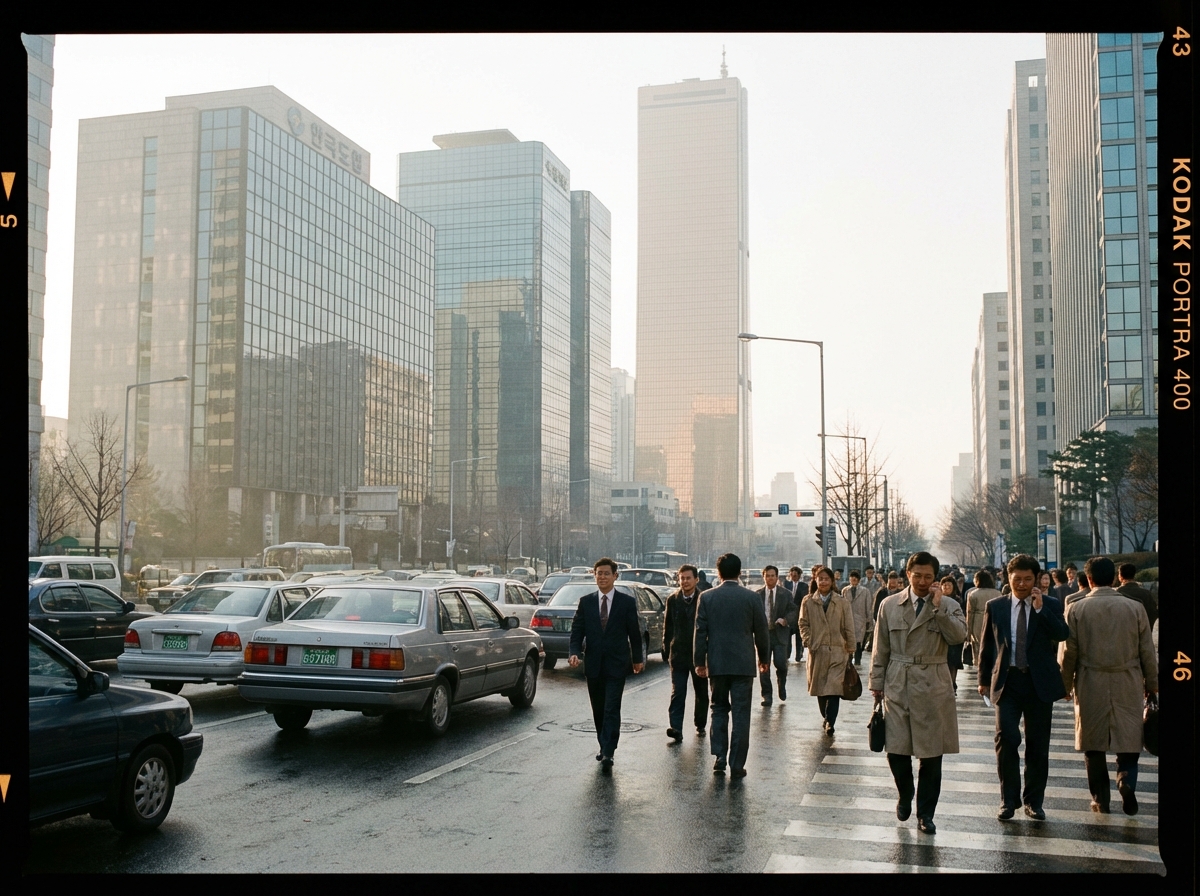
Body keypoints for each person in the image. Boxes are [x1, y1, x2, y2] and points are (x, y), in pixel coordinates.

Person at [869, 551, 966, 835]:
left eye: (928, 577)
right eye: (917, 576)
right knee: (896, 748)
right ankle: (904, 792)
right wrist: (876, 683)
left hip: (934, 683)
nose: (923, 581)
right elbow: (880, 648)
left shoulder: (949, 604)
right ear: (907, 575)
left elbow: (958, 637)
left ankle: (926, 814)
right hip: (898, 680)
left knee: (932, 753)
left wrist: (937, 608)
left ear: (936, 578)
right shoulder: (889, 604)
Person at [1060, 557, 1158, 815]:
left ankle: (1101, 799)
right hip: (1128, 678)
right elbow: (1147, 650)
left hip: (1091, 679)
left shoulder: (1076, 609)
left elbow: (1068, 652)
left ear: (1089, 579)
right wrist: (1153, 684)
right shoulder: (1134, 608)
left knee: (1093, 744)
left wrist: (1066, 685)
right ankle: (1125, 778)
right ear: (1114, 578)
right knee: (1129, 736)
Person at [976, 554, 1070, 821]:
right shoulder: (996, 606)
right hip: (1008, 682)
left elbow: (1062, 634)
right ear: (1008, 578)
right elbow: (987, 645)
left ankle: (1033, 802)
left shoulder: (1049, 603)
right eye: (1017, 579)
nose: (1022, 584)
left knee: (1038, 746)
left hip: (1039, 683)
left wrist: (1041, 610)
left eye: (1028, 579)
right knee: (1006, 740)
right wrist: (983, 680)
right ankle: (1008, 801)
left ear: (1037, 580)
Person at [693, 553, 770, 778]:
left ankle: (719, 756)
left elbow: (700, 633)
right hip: (743, 664)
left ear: (718, 573)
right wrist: (764, 659)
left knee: (718, 708)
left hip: (717, 663)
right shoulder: (752, 598)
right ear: (739, 572)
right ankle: (737, 764)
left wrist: (699, 661)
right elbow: (762, 632)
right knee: (741, 713)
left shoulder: (706, 597)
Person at [568, 558, 645, 773]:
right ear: (594, 576)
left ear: (615, 576)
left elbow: (634, 634)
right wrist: (574, 652)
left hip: (617, 664)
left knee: (612, 707)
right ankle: (603, 744)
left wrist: (638, 659)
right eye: (598, 573)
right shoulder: (586, 602)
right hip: (593, 664)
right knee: (599, 709)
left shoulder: (626, 602)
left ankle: (609, 750)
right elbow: (577, 631)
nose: (602, 577)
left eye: (606, 573)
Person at [799, 566, 855, 735]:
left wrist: (851, 647)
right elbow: (803, 623)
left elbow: (849, 627)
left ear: (832, 582)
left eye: (826, 579)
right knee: (820, 689)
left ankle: (830, 721)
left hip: (838, 650)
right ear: (815, 581)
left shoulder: (842, 602)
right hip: (817, 651)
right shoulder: (808, 601)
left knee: (834, 689)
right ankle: (825, 716)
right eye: (820, 579)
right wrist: (808, 640)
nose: (823, 582)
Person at [663, 565, 709, 741]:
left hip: (699, 655)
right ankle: (676, 728)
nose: (685, 581)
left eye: (688, 578)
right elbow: (668, 627)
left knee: (701, 691)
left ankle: (700, 723)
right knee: (678, 691)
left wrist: (707, 653)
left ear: (696, 580)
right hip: (678, 654)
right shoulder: (672, 599)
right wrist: (666, 650)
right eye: (682, 578)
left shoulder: (703, 599)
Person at [755, 565, 798, 706]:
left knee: (781, 663)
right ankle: (766, 695)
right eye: (767, 575)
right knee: (764, 665)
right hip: (764, 635)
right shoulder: (757, 595)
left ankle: (781, 684)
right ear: (764, 577)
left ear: (777, 577)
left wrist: (785, 620)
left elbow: (793, 610)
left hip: (779, 634)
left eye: (773, 575)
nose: (770, 578)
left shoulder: (785, 594)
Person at [965, 569, 1001, 670]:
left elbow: (969, 613)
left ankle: (979, 667)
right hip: (994, 621)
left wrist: (968, 632)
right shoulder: (998, 593)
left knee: (978, 647)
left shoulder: (973, 594)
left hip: (978, 621)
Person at [940, 576, 967, 694]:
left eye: (949, 585)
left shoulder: (958, 600)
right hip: (942, 635)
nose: (946, 587)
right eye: (944, 585)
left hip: (955, 634)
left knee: (953, 661)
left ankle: (952, 683)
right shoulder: (937, 600)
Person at [841, 570, 873, 666]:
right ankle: (849, 660)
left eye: (856, 578)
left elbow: (868, 607)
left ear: (859, 580)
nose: (854, 580)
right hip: (848, 619)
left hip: (860, 619)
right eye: (852, 578)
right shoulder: (845, 590)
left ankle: (858, 660)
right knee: (848, 640)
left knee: (859, 642)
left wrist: (869, 621)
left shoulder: (865, 591)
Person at [1116, 563, 1158, 630]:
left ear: (1120, 576)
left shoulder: (1116, 593)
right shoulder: (1146, 594)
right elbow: (1153, 614)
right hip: (1142, 632)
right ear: (1134, 575)